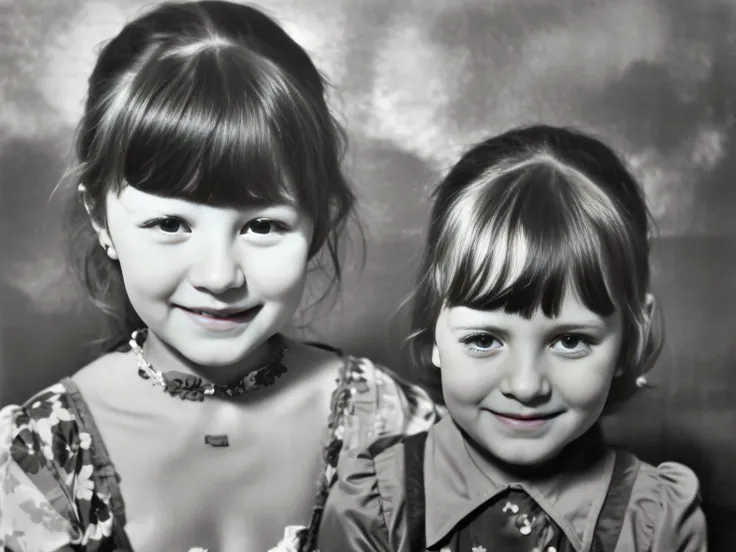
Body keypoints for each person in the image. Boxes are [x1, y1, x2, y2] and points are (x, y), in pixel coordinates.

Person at [0, 2, 440, 551]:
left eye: (261, 225)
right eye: (169, 223)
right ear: (100, 218)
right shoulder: (37, 458)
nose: (218, 274)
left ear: (320, 219)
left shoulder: (393, 428)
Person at [318, 125, 708, 552]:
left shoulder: (657, 523)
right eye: (484, 340)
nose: (525, 386)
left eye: (570, 341)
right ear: (434, 331)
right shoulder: (375, 508)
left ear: (632, 337)